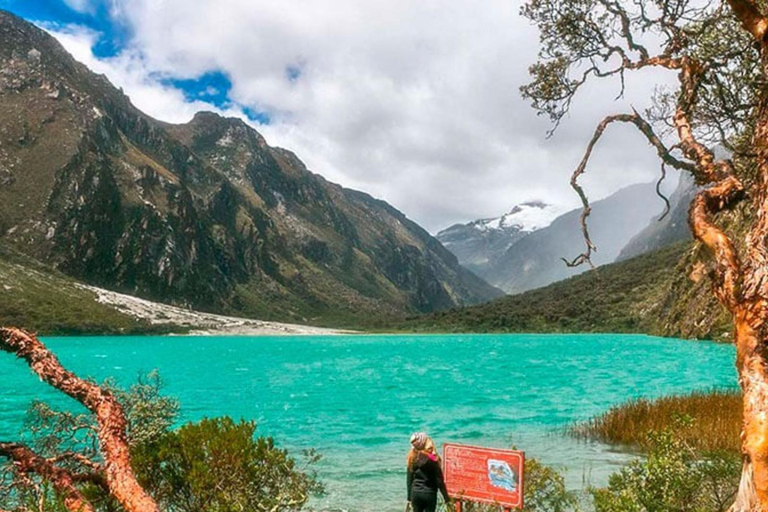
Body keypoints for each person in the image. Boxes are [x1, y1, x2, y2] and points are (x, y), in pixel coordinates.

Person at [406, 432, 450, 512]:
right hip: (430, 493)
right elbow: (439, 480)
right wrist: (446, 497)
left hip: (415, 493)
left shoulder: (412, 458)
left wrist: (409, 498)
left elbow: (409, 480)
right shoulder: (433, 459)